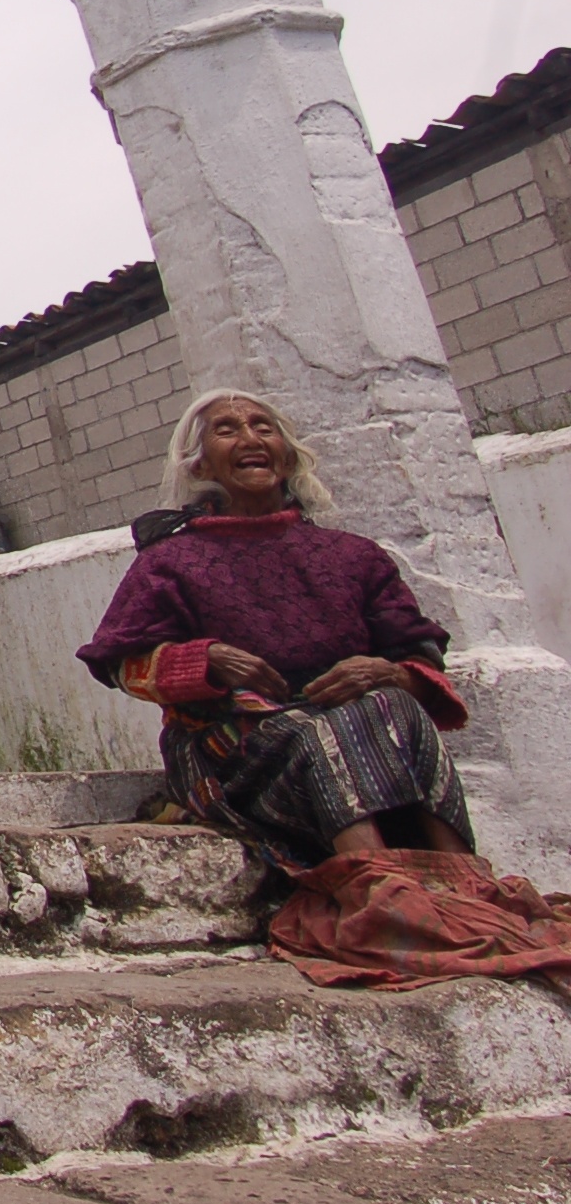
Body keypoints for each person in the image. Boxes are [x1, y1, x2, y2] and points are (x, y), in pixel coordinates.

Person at [80, 389, 571, 992]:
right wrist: (204, 658)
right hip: (228, 749)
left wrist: (383, 671)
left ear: (287, 455)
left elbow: (416, 652)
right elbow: (119, 661)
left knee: (393, 700)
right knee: (315, 728)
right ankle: (373, 892)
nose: (251, 438)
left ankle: (465, 888)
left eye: (264, 427)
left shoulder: (353, 557)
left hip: (357, 733)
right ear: (199, 464)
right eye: (227, 430)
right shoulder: (171, 562)